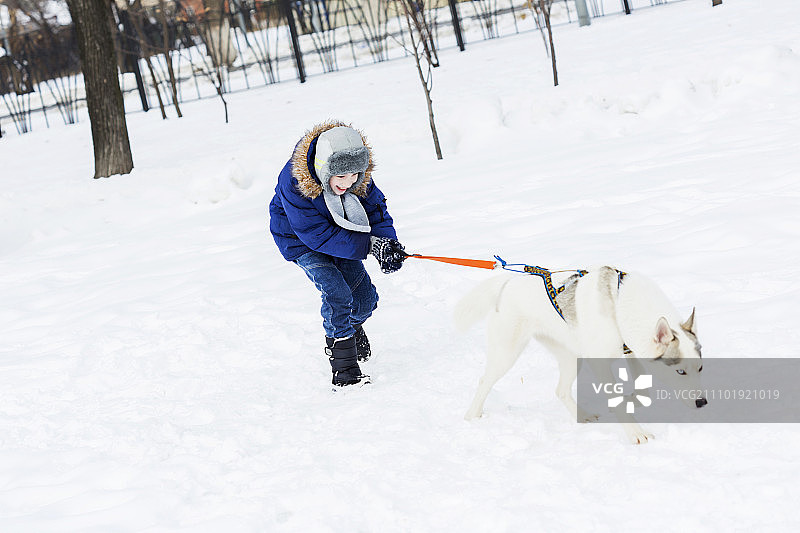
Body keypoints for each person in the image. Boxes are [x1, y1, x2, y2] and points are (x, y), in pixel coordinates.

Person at [269, 121, 406, 388]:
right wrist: (369, 246)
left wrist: (387, 243)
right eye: (341, 177)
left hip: (344, 233)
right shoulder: (295, 181)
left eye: (355, 175)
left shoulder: (355, 174)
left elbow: (375, 210)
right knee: (337, 293)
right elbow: (315, 234)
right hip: (302, 241)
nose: (349, 182)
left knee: (365, 299)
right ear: (323, 168)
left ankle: (350, 329)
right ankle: (343, 366)